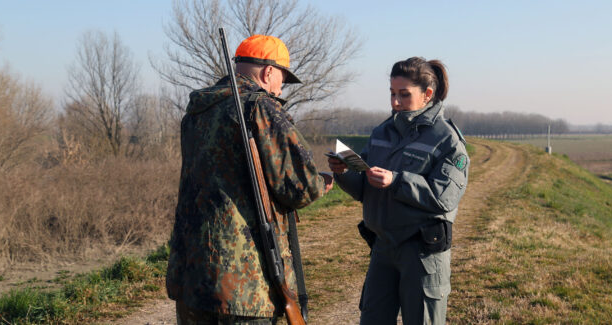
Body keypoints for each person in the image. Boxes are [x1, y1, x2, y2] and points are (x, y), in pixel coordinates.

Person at [167, 34, 333, 325]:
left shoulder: (197, 112)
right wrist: (322, 181)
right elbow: (300, 188)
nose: (280, 87)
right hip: (243, 283)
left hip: (190, 274)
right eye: (282, 78)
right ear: (269, 72)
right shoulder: (260, 108)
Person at [329, 57, 469, 324]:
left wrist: (396, 180)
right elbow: (364, 189)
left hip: (422, 253)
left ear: (427, 94)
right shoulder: (382, 132)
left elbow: (444, 197)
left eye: (404, 95)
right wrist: (343, 171)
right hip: (383, 248)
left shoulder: (447, 140)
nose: (395, 102)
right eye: (392, 93)